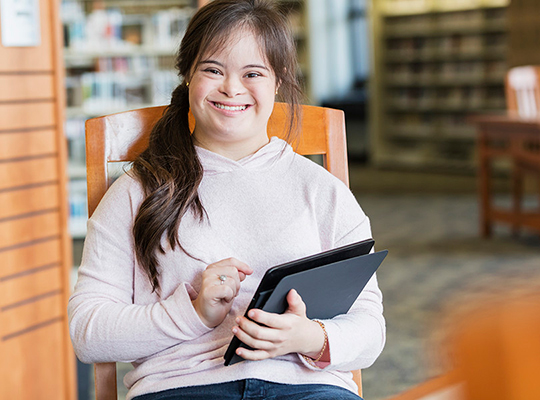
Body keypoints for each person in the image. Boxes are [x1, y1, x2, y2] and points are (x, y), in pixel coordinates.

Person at [68, 0, 385, 399]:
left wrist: (311, 337)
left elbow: (371, 330)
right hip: (182, 387)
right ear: (188, 78)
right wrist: (192, 314)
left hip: (307, 387)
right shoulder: (139, 191)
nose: (232, 88)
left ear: (278, 80)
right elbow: (87, 332)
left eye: (252, 73)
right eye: (213, 70)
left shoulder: (322, 191)